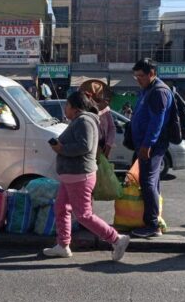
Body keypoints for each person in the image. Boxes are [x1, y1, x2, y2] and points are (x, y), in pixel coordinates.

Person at [43, 91, 130, 261]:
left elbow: (85, 146)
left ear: (75, 108)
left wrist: (61, 149)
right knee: (61, 208)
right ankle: (63, 245)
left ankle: (117, 239)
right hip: (71, 176)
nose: (65, 108)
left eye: (67, 105)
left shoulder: (84, 121)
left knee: (83, 215)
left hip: (79, 175)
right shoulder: (79, 120)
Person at [129, 58, 174, 238]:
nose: (138, 79)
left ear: (152, 73)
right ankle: (155, 220)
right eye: (136, 76)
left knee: (147, 181)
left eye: (141, 76)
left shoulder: (158, 91)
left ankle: (152, 225)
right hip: (144, 143)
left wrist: (147, 144)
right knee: (151, 182)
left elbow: (157, 121)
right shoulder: (147, 90)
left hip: (152, 145)